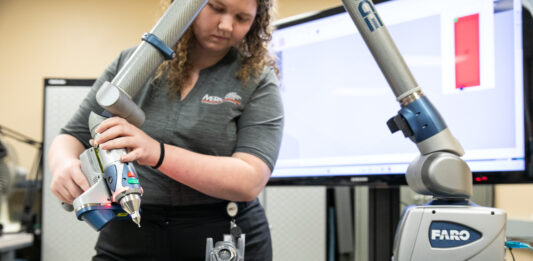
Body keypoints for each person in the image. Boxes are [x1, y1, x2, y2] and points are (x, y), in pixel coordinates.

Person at [48, 0, 283, 260]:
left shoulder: (258, 78)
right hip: (131, 228)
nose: (226, 25)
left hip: (220, 231)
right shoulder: (133, 64)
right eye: (216, 7)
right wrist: (63, 166)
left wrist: (156, 153)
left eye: (241, 18)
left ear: (256, 22)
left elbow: (249, 179)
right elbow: (72, 135)